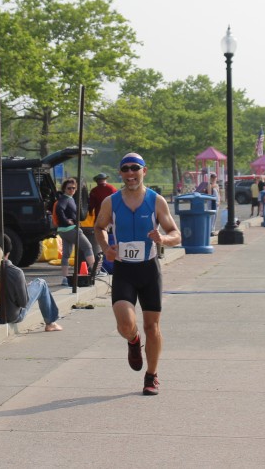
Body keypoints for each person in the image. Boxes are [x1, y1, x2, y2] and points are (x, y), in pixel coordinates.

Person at [94, 152, 181, 396]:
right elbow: (99, 227)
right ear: (120, 173)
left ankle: (151, 376)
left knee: (152, 327)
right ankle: (133, 340)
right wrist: (106, 248)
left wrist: (163, 238)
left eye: (135, 168)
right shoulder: (111, 201)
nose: (130, 173)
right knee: (125, 323)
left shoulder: (156, 201)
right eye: (125, 169)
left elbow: (176, 234)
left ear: (144, 170)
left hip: (148, 269)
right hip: (124, 270)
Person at [0, 240, 62, 332]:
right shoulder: (15, 272)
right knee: (41, 283)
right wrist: (23, 288)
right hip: (12, 315)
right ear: (8, 253)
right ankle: (50, 323)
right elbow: (23, 302)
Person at [55, 177, 95, 285]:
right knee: (88, 247)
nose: (71, 190)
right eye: (69, 188)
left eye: (73, 188)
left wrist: (65, 221)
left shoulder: (68, 198)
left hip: (63, 230)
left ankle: (64, 278)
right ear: (64, 189)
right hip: (71, 229)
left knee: (66, 255)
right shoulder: (66, 198)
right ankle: (95, 271)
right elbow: (59, 209)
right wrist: (66, 221)